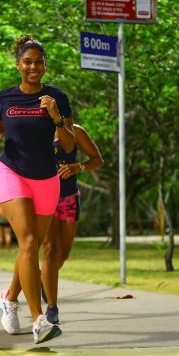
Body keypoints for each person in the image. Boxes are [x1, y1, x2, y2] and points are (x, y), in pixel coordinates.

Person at [0, 34, 75, 344]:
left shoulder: (58, 97)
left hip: (46, 178)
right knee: (28, 240)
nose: (34, 67)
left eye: (39, 62)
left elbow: (68, 144)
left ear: (45, 65)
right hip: (12, 172)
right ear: (18, 65)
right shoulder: (5, 98)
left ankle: (8, 297)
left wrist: (55, 116)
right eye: (27, 62)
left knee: (30, 246)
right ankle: (38, 319)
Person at [41, 124, 104, 324]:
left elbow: (97, 160)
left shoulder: (76, 131)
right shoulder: (35, 128)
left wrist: (79, 167)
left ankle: (46, 280)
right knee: (50, 249)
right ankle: (52, 307)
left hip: (68, 197)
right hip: (43, 196)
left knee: (63, 254)